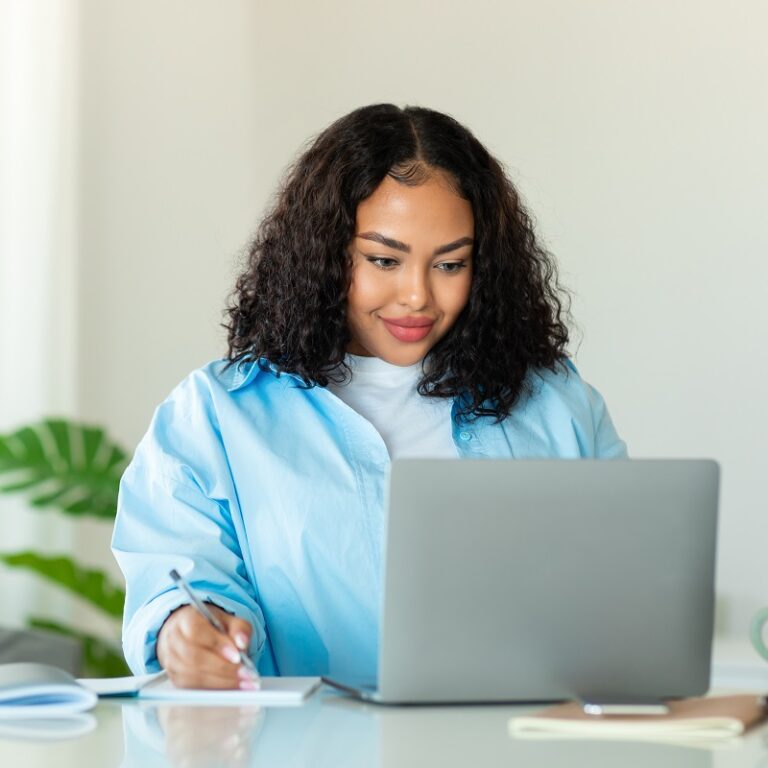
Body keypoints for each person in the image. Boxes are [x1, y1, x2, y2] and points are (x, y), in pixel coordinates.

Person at [112, 104, 627, 690]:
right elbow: (181, 578)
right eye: (384, 259)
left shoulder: (559, 405)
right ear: (325, 252)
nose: (417, 296)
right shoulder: (216, 415)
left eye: (451, 263)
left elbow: (621, 586)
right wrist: (187, 629)